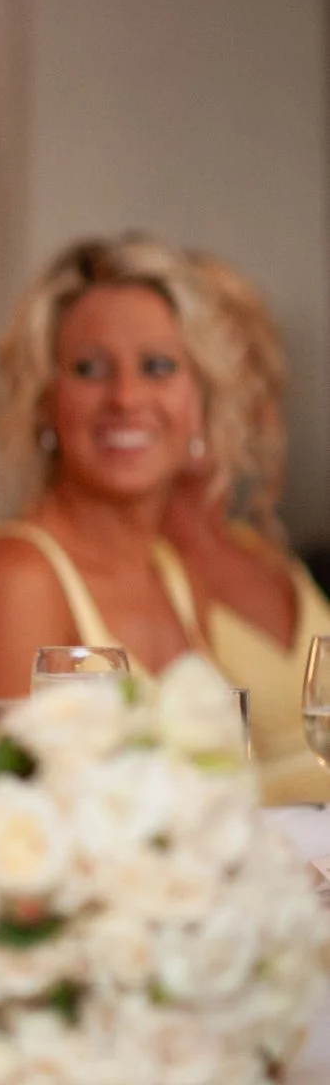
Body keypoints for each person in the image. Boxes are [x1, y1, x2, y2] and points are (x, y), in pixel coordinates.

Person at [0, 236, 230, 745]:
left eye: (158, 366)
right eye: (89, 368)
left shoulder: (174, 575)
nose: (126, 397)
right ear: (43, 400)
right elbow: (26, 788)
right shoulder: (13, 579)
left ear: (199, 401)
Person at [160, 252, 330, 803]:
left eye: (227, 372)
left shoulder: (262, 550)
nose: (207, 399)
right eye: (174, 368)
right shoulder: (139, 570)